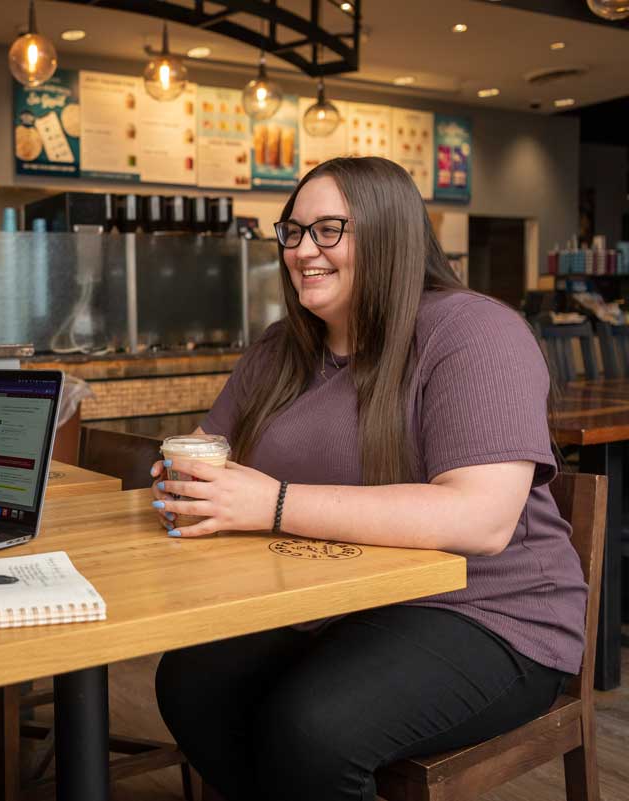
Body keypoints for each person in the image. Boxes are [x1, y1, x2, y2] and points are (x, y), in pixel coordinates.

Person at [150, 157, 585, 801]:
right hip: (338, 603)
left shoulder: (474, 332)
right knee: (190, 681)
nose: (303, 250)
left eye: (328, 229)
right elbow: (213, 449)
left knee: (312, 726)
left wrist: (272, 503)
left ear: (390, 232)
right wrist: (190, 482)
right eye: (292, 232)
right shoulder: (280, 349)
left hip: (489, 613)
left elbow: (481, 520)